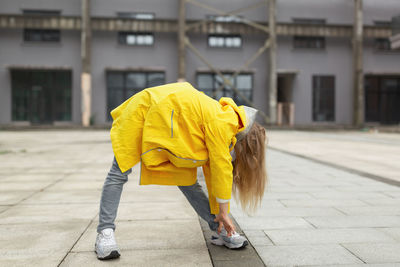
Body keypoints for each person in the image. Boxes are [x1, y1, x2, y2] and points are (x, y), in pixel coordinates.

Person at [95, 82, 267, 260]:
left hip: (169, 121)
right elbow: (221, 167)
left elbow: (213, 175)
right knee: (119, 172)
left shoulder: (227, 121)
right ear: (246, 146)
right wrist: (223, 213)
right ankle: (104, 232)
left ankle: (219, 229)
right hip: (143, 112)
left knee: (187, 181)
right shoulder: (224, 122)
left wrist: (221, 214)